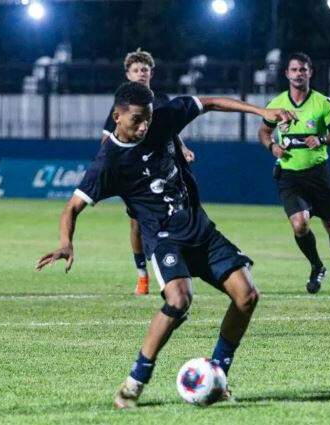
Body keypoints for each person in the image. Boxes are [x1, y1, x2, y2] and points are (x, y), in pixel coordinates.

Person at [36, 82, 296, 408]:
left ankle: (218, 373)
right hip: (163, 238)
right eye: (136, 121)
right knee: (179, 298)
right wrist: (65, 242)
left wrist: (263, 112)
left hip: (200, 229)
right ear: (117, 116)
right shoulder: (109, 162)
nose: (144, 126)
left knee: (247, 296)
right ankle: (133, 383)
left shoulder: (163, 119)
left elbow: (212, 100)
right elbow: (72, 207)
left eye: (147, 118)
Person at [257, 52, 330, 295]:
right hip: (289, 176)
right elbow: (263, 131)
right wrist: (272, 146)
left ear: (310, 72)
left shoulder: (323, 103)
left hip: (318, 175)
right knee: (299, 225)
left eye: (303, 69)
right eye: (294, 70)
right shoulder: (276, 104)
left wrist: (321, 139)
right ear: (286, 74)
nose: (298, 74)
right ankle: (317, 266)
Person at [101, 48, 195, 296]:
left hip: (168, 171)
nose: (141, 73)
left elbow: (171, 130)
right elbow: (106, 140)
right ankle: (142, 276)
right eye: (136, 70)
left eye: (145, 69)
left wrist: (183, 148)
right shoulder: (123, 105)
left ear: (151, 72)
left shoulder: (162, 99)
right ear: (127, 74)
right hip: (139, 178)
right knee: (137, 225)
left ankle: (176, 270)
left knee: (182, 217)